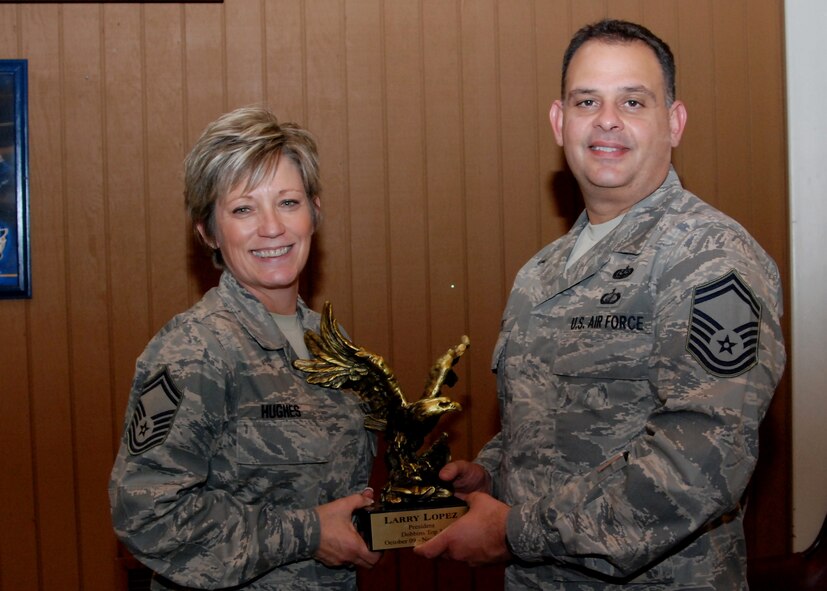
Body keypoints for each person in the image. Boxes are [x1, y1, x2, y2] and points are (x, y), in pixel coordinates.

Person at [415, 19, 786, 590]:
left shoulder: (708, 259)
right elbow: (546, 417)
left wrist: (515, 532)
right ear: (560, 122)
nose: (607, 119)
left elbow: (700, 466)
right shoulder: (540, 272)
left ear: (675, 122)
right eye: (587, 100)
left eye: (633, 101)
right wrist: (492, 473)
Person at [109, 106, 380, 590]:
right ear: (207, 231)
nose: (271, 227)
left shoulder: (333, 346)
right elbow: (147, 515)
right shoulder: (192, 351)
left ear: (316, 211)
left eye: (289, 202)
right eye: (242, 208)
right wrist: (308, 532)